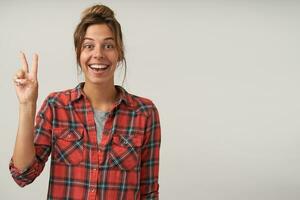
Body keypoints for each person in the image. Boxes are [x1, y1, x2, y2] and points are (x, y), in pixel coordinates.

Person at [9, 4, 161, 200]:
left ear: (119, 53)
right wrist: (27, 104)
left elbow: (148, 192)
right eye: (89, 46)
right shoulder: (56, 106)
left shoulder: (145, 113)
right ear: (78, 53)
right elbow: (22, 175)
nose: (98, 54)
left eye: (108, 45)